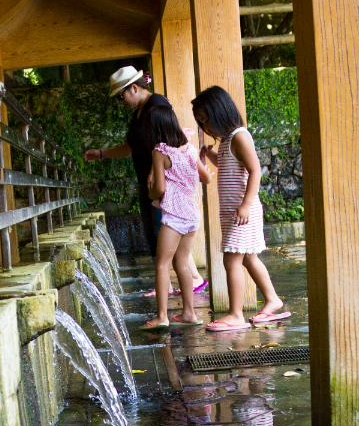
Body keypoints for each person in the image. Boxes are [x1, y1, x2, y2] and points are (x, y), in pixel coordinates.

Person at [84, 66, 206, 293]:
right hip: (147, 180)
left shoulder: (157, 106)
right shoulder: (139, 113)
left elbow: (169, 142)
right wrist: (102, 153)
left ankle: (192, 279)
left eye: (120, 96)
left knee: (167, 229)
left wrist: (154, 170)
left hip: (161, 181)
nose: (120, 102)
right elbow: (133, 147)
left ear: (134, 88)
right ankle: (168, 284)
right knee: (155, 231)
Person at [191, 85, 290, 332]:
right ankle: (272, 299)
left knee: (231, 259)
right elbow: (227, 165)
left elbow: (255, 170)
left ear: (221, 112)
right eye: (201, 123)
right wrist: (211, 154)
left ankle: (235, 314)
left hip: (243, 211)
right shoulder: (226, 142)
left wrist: (246, 205)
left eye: (207, 120)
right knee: (247, 257)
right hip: (234, 212)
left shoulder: (239, 136)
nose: (206, 127)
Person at [140, 105, 213, 329]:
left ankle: (162, 316)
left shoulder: (160, 152)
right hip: (192, 216)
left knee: (162, 264)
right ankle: (189, 313)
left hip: (174, 217)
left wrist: (149, 191)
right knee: (181, 262)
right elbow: (206, 178)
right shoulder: (189, 149)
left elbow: (160, 189)